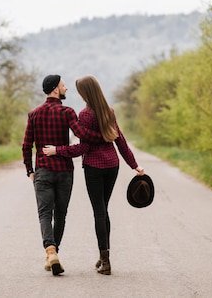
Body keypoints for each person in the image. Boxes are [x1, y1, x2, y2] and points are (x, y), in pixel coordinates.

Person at [43, 75, 144, 276]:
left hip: (94, 167)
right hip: (112, 165)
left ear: (85, 92)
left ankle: (105, 262)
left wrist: (58, 151)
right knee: (104, 210)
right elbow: (120, 141)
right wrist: (135, 165)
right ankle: (104, 256)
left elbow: (83, 147)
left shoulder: (85, 115)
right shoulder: (109, 111)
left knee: (99, 211)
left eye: (80, 90)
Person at [22, 74, 104, 276]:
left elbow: (26, 146)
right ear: (55, 89)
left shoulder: (34, 114)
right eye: (64, 86)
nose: (66, 88)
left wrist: (29, 170)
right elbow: (82, 134)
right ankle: (53, 252)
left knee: (44, 213)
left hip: (42, 170)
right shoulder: (67, 112)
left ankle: (50, 252)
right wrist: (103, 136)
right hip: (65, 172)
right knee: (60, 214)